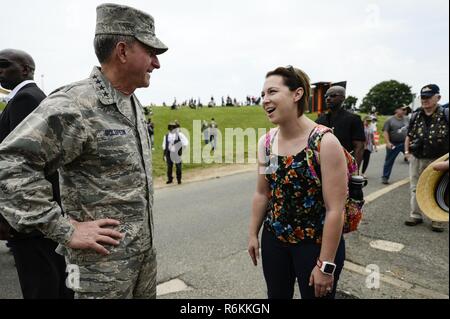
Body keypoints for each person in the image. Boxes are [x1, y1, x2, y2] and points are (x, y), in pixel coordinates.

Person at [0, 3, 168, 299]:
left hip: (142, 263)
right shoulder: (74, 104)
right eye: (151, 53)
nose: (156, 63)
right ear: (123, 51)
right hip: (97, 274)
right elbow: (9, 166)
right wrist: (63, 228)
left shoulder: (131, 103)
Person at [248, 66, 348, 299]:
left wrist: (326, 265)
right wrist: (253, 233)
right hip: (275, 240)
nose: (265, 100)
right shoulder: (266, 143)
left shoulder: (324, 142)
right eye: (263, 94)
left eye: (272, 92)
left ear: (297, 94)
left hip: (314, 244)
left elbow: (335, 209)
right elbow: (262, 193)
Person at [0, 49, 73, 299]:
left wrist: (9, 216)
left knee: (40, 283)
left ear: (25, 69)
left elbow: (22, 163)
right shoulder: (29, 97)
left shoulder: (26, 99)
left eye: (3, 64)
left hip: (29, 213)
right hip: (38, 211)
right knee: (50, 277)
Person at [404, 84, 449, 232]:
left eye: (429, 97)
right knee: (415, 187)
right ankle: (415, 215)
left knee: (438, 190)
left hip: (438, 160)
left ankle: (437, 219)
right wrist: (407, 152)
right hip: (417, 158)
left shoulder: (446, 114)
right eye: (423, 97)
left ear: (438, 97)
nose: (425, 100)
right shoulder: (416, 115)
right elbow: (409, 136)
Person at [316, 86, 365, 171]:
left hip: (344, 166)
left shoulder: (353, 119)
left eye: (333, 95)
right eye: (326, 96)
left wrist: (354, 171)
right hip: (322, 166)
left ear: (342, 98)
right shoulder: (320, 120)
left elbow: (359, 147)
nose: (328, 98)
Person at [381, 105, 409, 184]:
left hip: (405, 143)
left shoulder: (407, 119)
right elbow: (385, 131)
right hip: (394, 143)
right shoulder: (390, 120)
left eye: (405, 110)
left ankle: (416, 176)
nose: (404, 111)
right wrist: (387, 142)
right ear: (396, 110)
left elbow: (410, 129)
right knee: (389, 160)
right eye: (402, 109)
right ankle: (385, 177)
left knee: (412, 159)